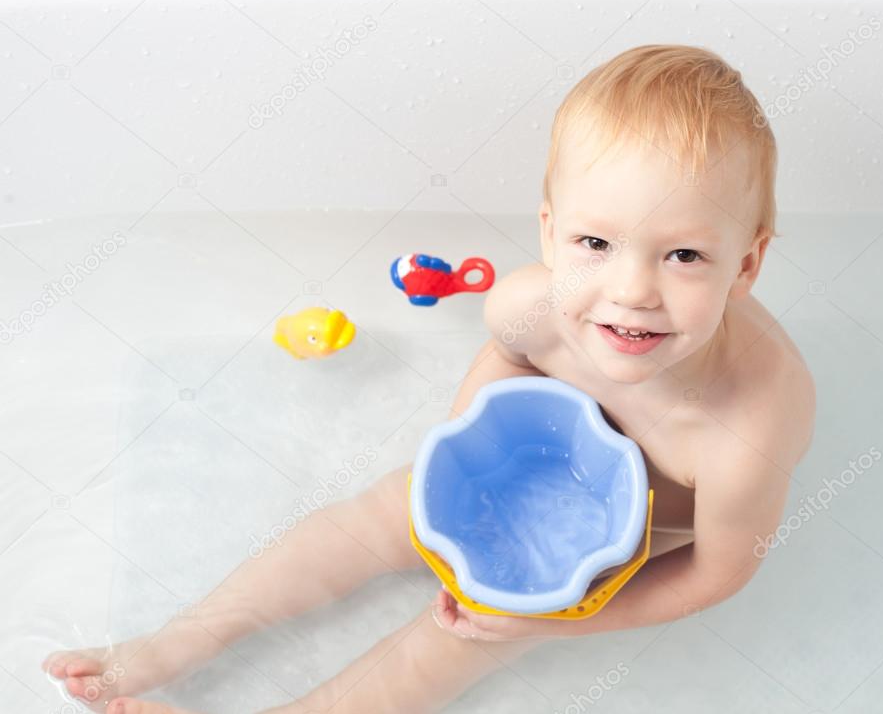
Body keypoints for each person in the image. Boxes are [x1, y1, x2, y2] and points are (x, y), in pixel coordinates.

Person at [42, 43, 816, 714]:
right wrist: (465, 446)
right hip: (522, 461)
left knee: (453, 640)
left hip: (628, 534)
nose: (632, 290)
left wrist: (554, 620)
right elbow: (506, 360)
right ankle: (181, 639)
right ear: (549, 231)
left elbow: (711, 576)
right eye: (594, 241)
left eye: (683, 255)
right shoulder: (532, 307)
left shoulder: (743, 436)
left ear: (745, 263)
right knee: (374, 517)